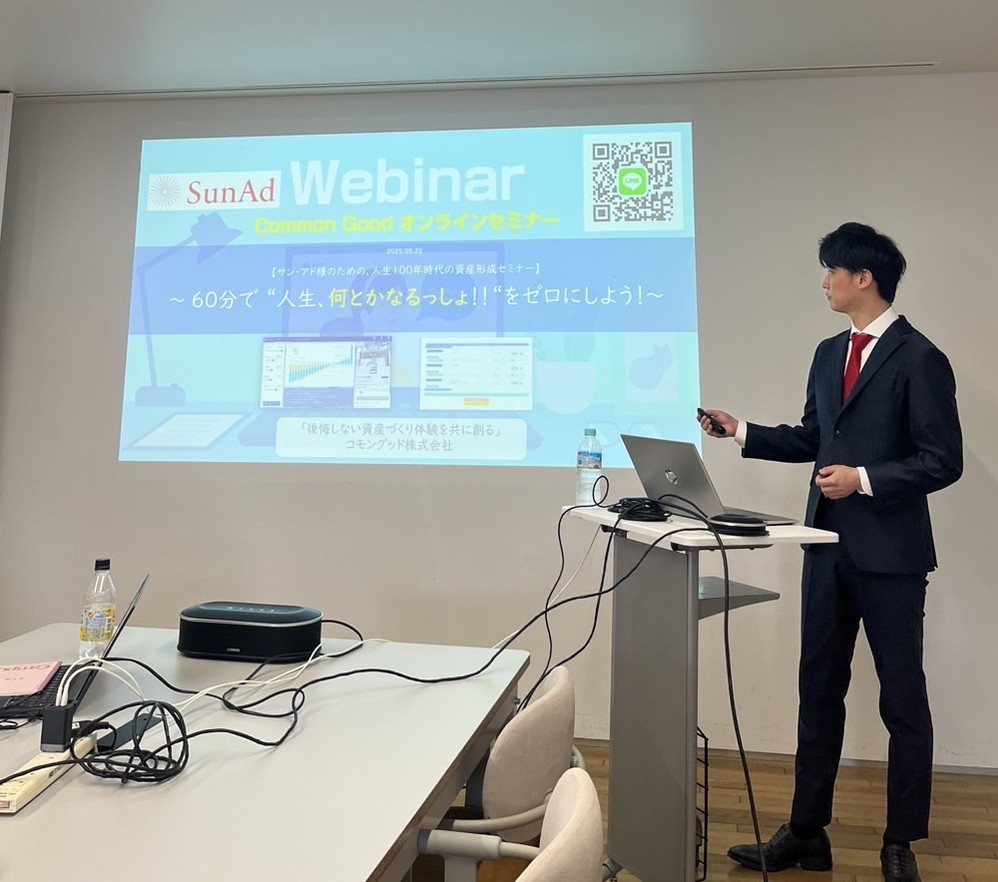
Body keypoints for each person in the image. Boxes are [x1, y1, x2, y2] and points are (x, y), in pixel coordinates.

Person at [699, 222, 962, 882]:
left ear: (862, 277)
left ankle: (900, 843)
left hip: (892, 557)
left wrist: (864, 479)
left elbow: (942, 460)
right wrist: (742, 431)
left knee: (903, 701)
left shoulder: (920, 358)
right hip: (825, 547)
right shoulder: (826, 353)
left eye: (831, 272)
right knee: (817, 690)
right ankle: (806, 833)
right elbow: (813, 438)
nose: (824, 283)